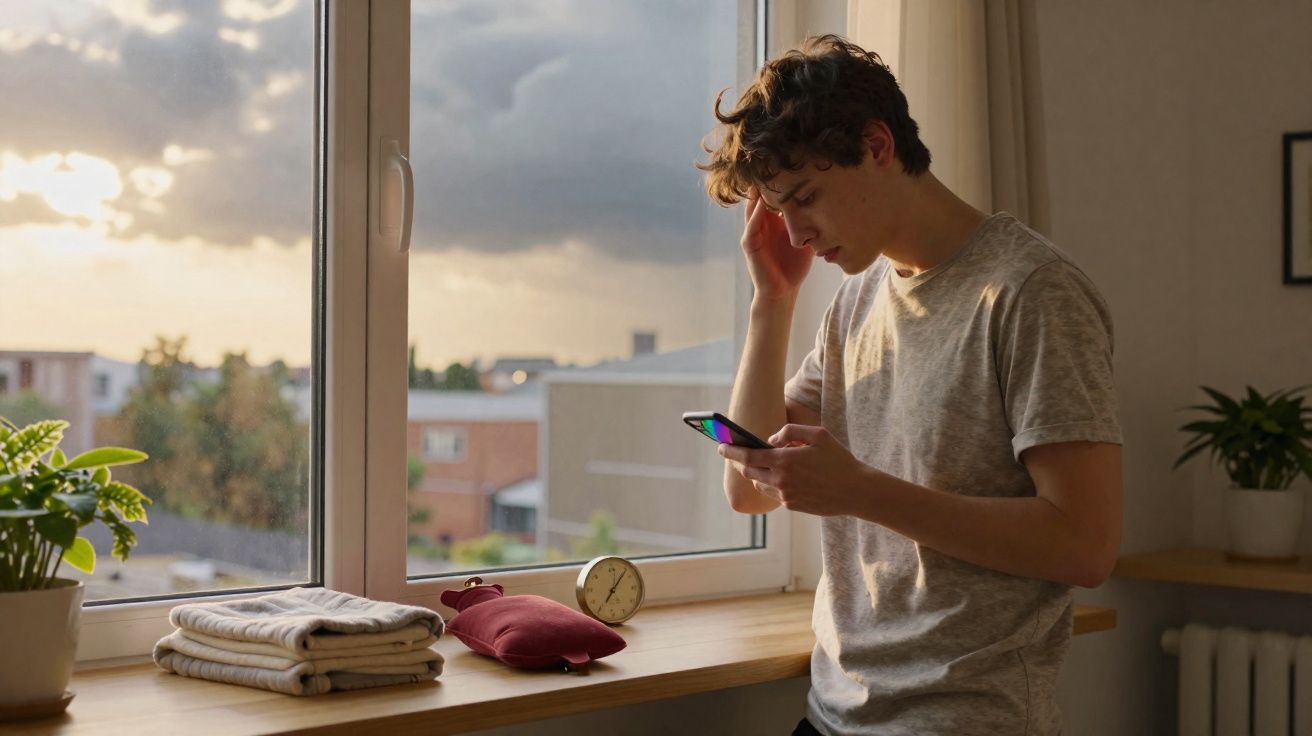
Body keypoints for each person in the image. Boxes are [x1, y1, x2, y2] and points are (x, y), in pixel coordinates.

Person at [697, 35, 1123, 736]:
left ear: (877, 145)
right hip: (833, 714)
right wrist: (770, 302)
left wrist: (861, 491)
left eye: (806, 198)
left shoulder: (1033, 293)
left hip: (962, 721)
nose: (796, 233)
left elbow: (1085, 545)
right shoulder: (857, 301)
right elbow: (750, 489)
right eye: (779, 210)